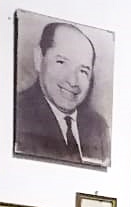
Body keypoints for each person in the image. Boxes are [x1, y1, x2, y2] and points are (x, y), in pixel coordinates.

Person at [14, 20, 110, 165]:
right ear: (38, 58)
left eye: (83, 71)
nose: (73, 81)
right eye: (61, 62)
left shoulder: (98, 127)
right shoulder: (18, 114)